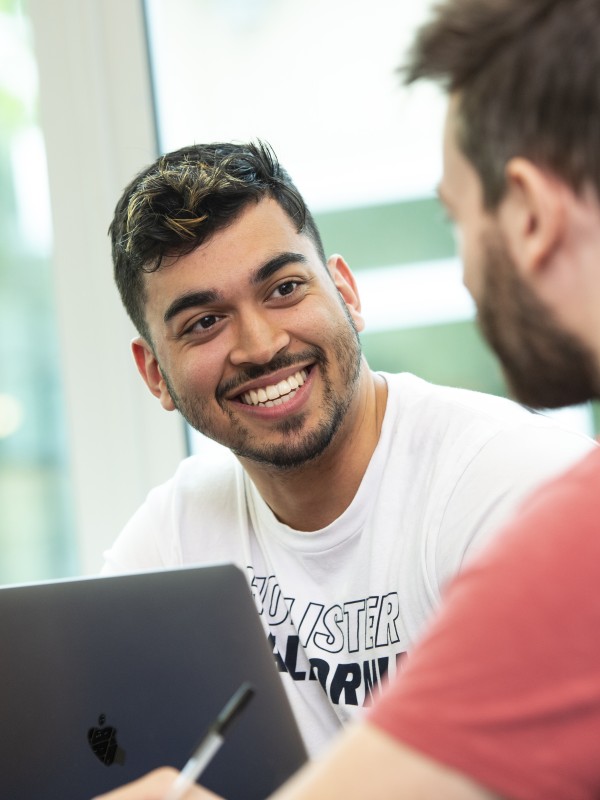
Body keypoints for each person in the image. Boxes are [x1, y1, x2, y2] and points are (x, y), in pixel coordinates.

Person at [94, 0, 600, 798]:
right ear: (153, 374)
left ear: (347, 293)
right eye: (204, 323)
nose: (259, 345)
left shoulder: (535, 500)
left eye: (453, 218)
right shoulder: (177, 531)